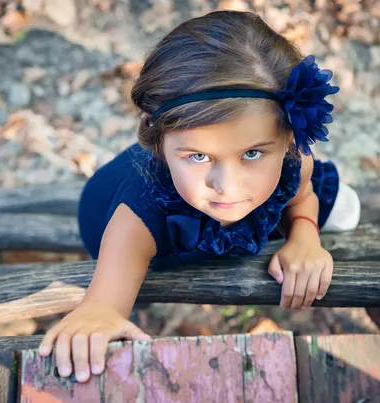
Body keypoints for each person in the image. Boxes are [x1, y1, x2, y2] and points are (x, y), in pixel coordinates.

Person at [38, 10, 361, 383]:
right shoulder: (139, 215)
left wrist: (305, 236)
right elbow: (103, 303)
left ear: (288, 137)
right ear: (158, 143)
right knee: (134, 262)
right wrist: (98, 315)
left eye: (252, 153)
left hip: (226, 197)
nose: (228, 185)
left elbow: (302, 196)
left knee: (345, 210)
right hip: (117, 218)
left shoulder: (293, 160)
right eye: (199, 156)